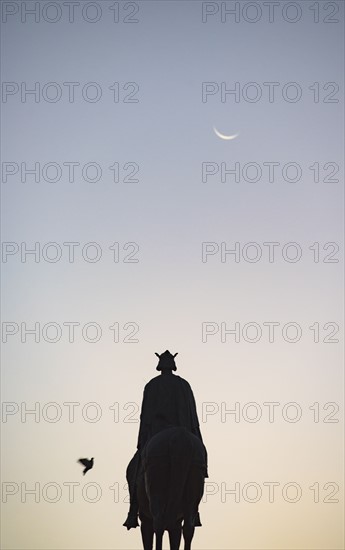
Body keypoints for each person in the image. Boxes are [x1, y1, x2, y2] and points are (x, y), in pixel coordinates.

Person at [123, 350, 208, 530]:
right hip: (185, 432)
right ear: (173, 365)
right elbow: (193, 416)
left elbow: (145, 417)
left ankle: (132, 512)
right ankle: (194, 511)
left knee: (134, 468)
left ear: (160, 366)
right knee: (199, 465)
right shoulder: (184, 385)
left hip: (156, 433)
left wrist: (142, 441)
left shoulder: (151, 386)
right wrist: (196, 439)